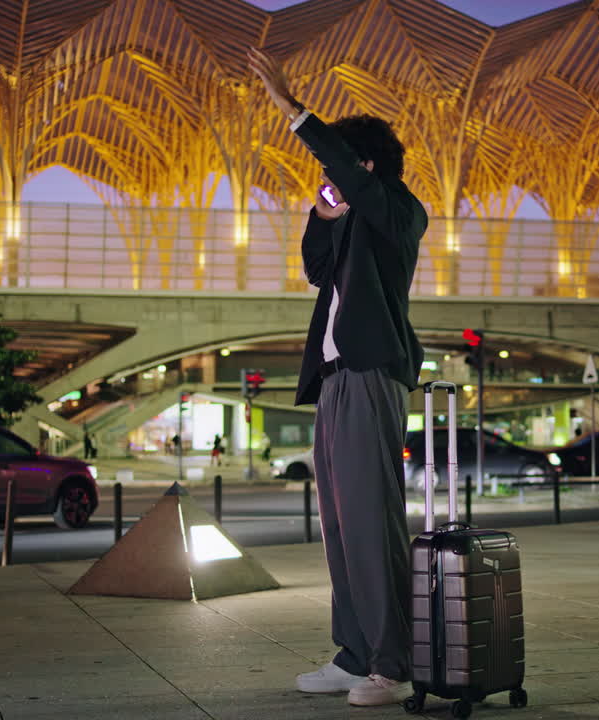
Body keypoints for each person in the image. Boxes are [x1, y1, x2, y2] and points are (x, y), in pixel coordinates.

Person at [248, 47, 426, 708]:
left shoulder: (398, 214)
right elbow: (316, 270)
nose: (327, 179)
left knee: (372, 523)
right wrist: (321, 218)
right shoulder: (352, 225)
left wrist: (295, 112)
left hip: (371, 375)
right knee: (342, 526)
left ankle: (391, 661)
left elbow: (346, 170)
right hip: (335, 382)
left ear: (365, 170)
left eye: (339, 170)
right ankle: (354, 655)